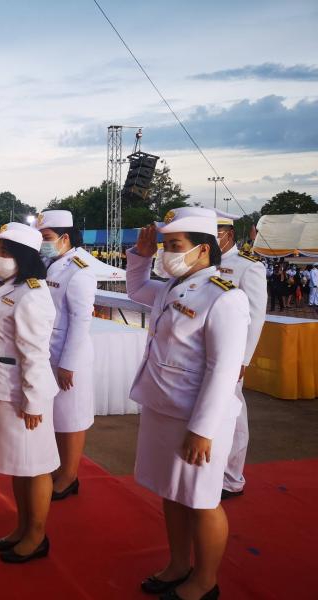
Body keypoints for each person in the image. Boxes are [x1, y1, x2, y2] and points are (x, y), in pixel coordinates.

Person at [127, 207, 249, 600]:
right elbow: (135, 290)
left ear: (203, 250)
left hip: (197, 419)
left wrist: (202, 430)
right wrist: (142, 256)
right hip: (163, 406)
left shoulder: (225, 297)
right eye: (165, 245)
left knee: (202, 500)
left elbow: (223, 370)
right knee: (172, 491)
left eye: (174, 246)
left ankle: (205, 580)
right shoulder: (172, 286)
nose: (167, 252)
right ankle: (178, 565)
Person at [0, 222, 58, 564]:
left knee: (35, 466)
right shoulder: (11, 286)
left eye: (6, 252)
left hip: (23, 396)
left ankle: (37, 535)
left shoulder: (33, 294)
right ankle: (22, 527)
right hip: (1, 388)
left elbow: (36, 353)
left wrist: (35, 399)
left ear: (24, 255)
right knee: (18, 464)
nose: (0, 258)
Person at [32, 210, 96, 501]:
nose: (43, 243)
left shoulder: (79, 269)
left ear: (65, 238)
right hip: (47, 351)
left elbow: (81, 320)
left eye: (47, 238)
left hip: (69, 354)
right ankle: (60, 469)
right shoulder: (48, 262)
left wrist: (68, 364)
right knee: (56, 415)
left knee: (71, 417)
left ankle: (69, 476)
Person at [212, 210, 267, 501]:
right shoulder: (206, 263)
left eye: (215, 234)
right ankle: (213, 470)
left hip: (232, 354)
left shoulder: (248, 266)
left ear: (229, 234)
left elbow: (256, 315)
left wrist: (243, 359)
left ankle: (232, 478)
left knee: (233, 413)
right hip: (206, 352)